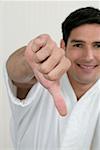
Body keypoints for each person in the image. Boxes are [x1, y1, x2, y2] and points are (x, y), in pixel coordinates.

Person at [4, 6, 100, 150]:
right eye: (78, 45)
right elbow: (16, 72)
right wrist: (30, 59)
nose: (88, 57)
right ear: (63, 45)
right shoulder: (40, 78)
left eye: (98, 46)